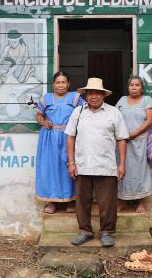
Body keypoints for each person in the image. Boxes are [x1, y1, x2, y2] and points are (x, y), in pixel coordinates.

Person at [65, 78, 129, 248]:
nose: (93, 96)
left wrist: (122, 164)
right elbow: (70, 137)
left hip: (106, 165)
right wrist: (71, 162)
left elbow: (122, 139)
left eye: (97, 93)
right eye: (90, 93)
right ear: (85, 95)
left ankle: (106, 232)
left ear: (103, 95)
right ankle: (85, 231)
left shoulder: (113, 112)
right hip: (82, 164)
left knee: (107, 202)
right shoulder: (78, 112)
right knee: (82, 201)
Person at [35, 71, 84, 213]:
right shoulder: (47, 98)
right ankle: (52, 201)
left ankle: (71, 200)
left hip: (70, 136)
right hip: (49, 138)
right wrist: (43, 121)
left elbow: (85, 113)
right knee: (51, 167)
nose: (61, 85)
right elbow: (38, 115)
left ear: (68, 84)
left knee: (69, 166)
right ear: (53, 84)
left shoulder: (75, 97)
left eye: (63, 82)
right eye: (58, 82)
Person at [115, 76, 152, 213]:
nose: (134, 87)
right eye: (131, 85)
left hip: (140, 142)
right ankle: (122, 201)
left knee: (140, 171)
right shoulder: (121, 100)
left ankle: (141, 202)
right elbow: (115, 118)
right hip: (123, 142)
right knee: (122, 169)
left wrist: (134, 133)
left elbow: (149, 120)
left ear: (142, 88)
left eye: (137, 85)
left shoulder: (147, 100)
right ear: (128, 87)